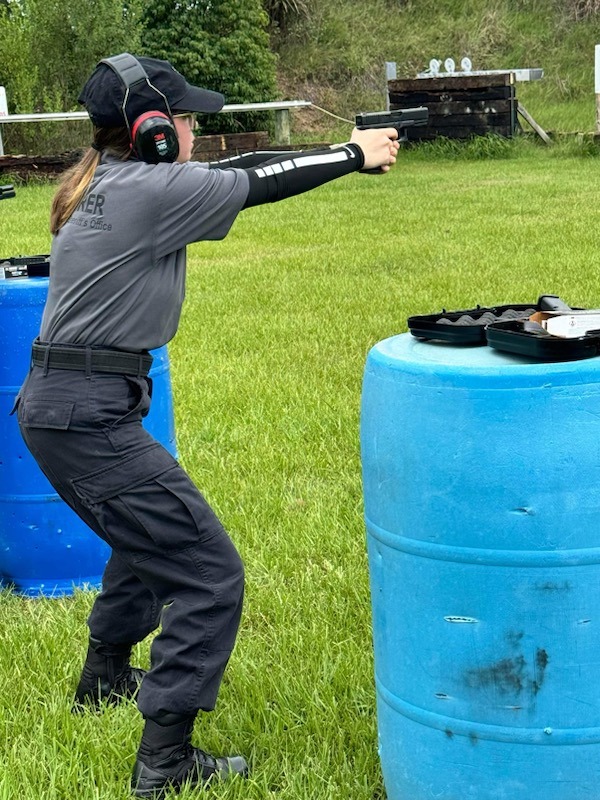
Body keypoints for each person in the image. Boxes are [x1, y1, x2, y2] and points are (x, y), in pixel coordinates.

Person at [14, 53, 399, 797]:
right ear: (155, 132)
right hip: (85, 415)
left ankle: (102, 683)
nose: (194, 129)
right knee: (208, 573)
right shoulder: (151, 191)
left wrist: (339, 152)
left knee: (146, 541)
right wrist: (352, 155)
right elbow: (256, 184)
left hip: (71, 409)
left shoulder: (101, 183)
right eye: (185, 118)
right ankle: (164, 764)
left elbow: (246, 165)